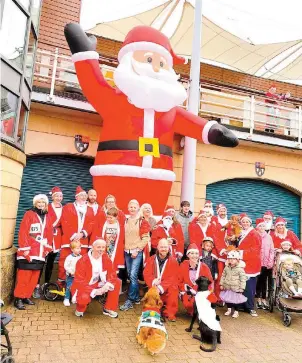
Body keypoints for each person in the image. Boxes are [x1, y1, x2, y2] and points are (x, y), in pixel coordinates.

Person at [14, 194, 53, 310]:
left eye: (43, 202)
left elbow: (49, 234)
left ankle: (26, 296)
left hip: (40, 253)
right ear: (35, 203)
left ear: (46, 204)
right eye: (38, 202)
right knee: (24, 277)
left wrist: (47, 249)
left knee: (34, 278)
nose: (41, 204)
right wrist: (25, 249)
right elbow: (23, 231)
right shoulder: (29, 214)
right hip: (29, 252)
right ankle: (18, 298)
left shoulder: (48, 217)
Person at [71, 239, 121, 318]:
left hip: (99, 283)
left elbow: (112, 273)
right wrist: (94, 291)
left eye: (103, 247)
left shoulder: (105, 257)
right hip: (86, 285)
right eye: (98, 247)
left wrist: (107, 285)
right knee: (83, 298)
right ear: (93, 247)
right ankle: (80, 308)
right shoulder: (82, 261)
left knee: (117, 282)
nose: (101, 249)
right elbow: (79, 281)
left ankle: (108, 308)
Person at [58, 186, 94, 285]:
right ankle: (62, 284)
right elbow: (64, 222)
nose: (83, 197)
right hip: (69, 240)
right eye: (81, 195)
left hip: (83, 240)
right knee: (64, 261)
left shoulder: (90, 209)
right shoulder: (67, 207)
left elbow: (91, 223)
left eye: (85, 196)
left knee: (81, 262)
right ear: (76, 197)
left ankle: (78, 285)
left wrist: (82, 233)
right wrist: (74, 235)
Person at [120, 200, 150, 311]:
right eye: (130, 207)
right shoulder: (126, 220)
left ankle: (130, 300)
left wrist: (137, 250)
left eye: (134, 207)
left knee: (132, 275)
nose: (132, 209)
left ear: (138, 208)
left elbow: (146, 238)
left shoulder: (142, 221)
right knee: (130, 275)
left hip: (136, 252)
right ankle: (137, 297)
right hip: (126, 251)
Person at [35, 186, 63, 298]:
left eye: (60, 196)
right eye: (56, 196)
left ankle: (46, 284)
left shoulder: (64, 208)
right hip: (46, 238)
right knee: (41, 262)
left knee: (50, 263)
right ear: (52, 196)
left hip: (57, 239)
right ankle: (36, 286)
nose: (59, 198)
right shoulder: (47, 207)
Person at [144, 238, 179, 321]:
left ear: (168, 248)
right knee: (151, 293)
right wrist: (153, 281)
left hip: (166, 287)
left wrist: (161, 287)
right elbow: (146, 273)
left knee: (174, 288)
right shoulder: (151, 259)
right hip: (154, 285)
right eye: (162, 247)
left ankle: (170, 312)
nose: (164, 249)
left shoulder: (173, 261)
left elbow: (173, 277)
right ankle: (154, 311)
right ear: (158, 247)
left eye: (165, 247)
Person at [178, 243, 213, 316]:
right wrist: (185, 288)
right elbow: (179, 280)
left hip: (201, 291)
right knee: (189, 305)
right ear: (188, 255)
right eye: (192, 253)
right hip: (188, 291)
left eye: (196, 253)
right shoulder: (183, 265)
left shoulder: (204, 267)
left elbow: (210, 282)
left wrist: (205, 292)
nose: (194, 256)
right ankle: (192, 310)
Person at [237, 214, 261, 317]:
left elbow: (256, 249)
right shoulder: (241, 233)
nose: (245, 223)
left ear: (250, 223)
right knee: (242, 285)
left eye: (247, 222)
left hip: (251, 263)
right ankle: (243, 305)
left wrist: (241, 253)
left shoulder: (254, 233)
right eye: (243, 222)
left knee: (250, 287)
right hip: (242, 263)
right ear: (241, 224)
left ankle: (250, 307)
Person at [90, 207, 125, 272]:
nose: (109, 219)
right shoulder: (104, 225)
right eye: (107, 217)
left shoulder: (119, 226)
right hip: (105, 247)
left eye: (111, 218)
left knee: (114, 263)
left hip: (114, 247)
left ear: (116, 217)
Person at [220, 250, 247, 319]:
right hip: (227, 287)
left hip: (236, 288)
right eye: (229, 259)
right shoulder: (226, 267)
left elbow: (243, 279)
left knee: (236, 301)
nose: (231, 260)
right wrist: (221, 284)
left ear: (237, 260)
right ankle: (229, 309)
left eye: (233, 259)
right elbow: (223, 275)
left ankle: (236, 311)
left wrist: (242, 288)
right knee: (228, 300)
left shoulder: (240, 269)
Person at [255, 218, 274, 310]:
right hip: (257, 262)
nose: (262, 227)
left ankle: (263, 299)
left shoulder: (269, 237)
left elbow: (271, 250)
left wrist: (270, 261)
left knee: (264, 281)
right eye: (260, 226)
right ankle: (258, 299)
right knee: (258, 281)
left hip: (266, 263)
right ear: (257, 227)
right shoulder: (255, 235)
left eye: (263, 225)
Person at [63, 241, 82, 306]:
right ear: (72, 249)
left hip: (78, 276)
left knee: (78, 287)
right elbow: (66, 266)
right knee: (69, 287)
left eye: (80, 248)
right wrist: (71, 272)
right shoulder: (69, 257)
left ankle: (74, 298)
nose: (79, 249)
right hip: (71, 275)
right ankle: (66, 299)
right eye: (77, 248)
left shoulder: (81, 257)